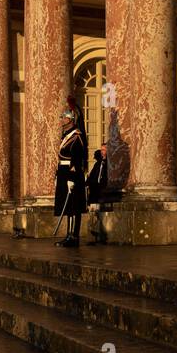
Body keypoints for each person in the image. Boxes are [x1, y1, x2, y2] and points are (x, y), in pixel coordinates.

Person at [54, 96, 87, 247]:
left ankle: (73, 236)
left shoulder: (77, 136)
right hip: (64, 172)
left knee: (73, 206)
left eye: (64, 117)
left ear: (71, 119)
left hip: (71, 173)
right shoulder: (67, 136)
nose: (61, 120)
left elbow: (77, 158)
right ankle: (68, 234)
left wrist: (72, 178)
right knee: (67, 207)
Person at [85, 144, 109, 244]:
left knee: (99, 213)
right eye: (101, 150)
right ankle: (93, 236)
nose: (102, 152)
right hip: (95, 192)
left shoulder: (110, 164)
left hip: (104, 191)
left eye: (104, 150)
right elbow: (91, 177)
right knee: (92, 212)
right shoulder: (98, 164)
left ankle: (100, 236)